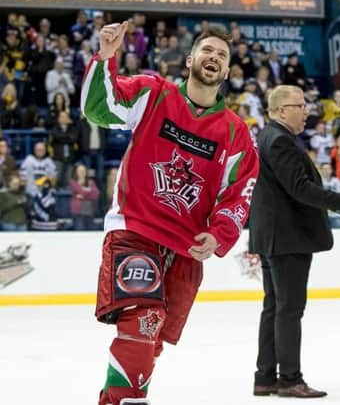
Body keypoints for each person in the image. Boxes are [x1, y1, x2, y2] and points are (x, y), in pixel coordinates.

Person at [80, 22, 259, 405]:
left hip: (184, 249)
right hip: (135, 230)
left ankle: (119, 395)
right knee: (142, 321)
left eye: (222, 56)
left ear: (227, 72)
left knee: (153, 335)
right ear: (191, 58)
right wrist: (106, 56)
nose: (214, 57)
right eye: (207, 50)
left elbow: (238, 193)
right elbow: (99, 109)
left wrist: (220, 232)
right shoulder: (153, 93)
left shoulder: (234, 133)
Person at [249, 85, 340, 398]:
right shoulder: (279, 141)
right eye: (300, 105)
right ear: (281, 110)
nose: (307, 111)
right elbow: (301, 189)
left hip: (274, 236)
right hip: (288, 238)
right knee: (289, 310)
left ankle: (265, 377)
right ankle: (290, 379)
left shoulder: (269, 137)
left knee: (275, 307)